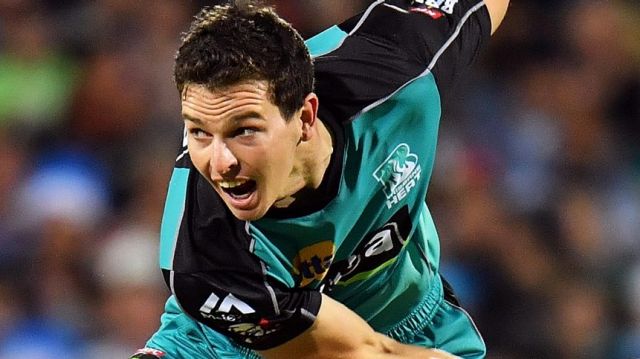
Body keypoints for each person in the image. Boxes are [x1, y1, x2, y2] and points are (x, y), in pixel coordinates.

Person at [131, 0, 509, 357]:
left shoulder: (396, 68)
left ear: (306, 117)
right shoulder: (204, 254)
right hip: (230, 346)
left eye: (244, 131)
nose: (220, 163)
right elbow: (356, 351)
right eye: (198, 132)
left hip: (404, 323)